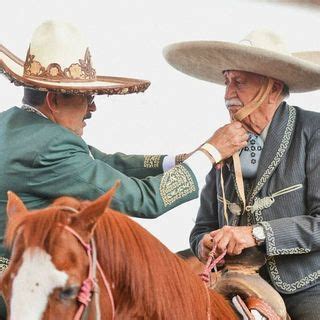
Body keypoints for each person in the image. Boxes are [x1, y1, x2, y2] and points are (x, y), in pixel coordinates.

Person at [0, 20, 248, 271]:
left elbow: (105, 163)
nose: (92, 108)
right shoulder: (50, 148)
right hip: (14, 290)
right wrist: (212, 152)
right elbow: (145, 200)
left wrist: (183, 159)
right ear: (53, 100)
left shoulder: (15, 124)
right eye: (87, 97)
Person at [164, 29, 320, 319]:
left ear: (273, 88)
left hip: (305, 289)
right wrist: (204, 244)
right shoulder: (222, 142)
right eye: (227, 82)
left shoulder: (314, 132)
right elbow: (201, 228)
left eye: (239, 82)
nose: (227, 94)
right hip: (231, 281)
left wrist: (256, 234)